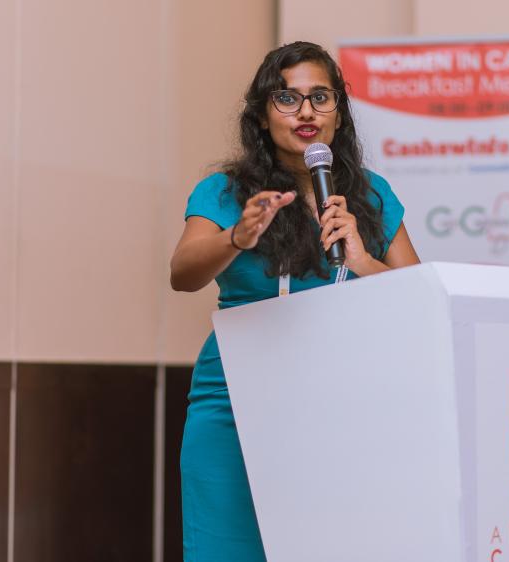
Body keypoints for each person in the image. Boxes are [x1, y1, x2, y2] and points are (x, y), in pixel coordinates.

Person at [170, 41, 420, 561]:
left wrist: (362, 260)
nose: (306, 111)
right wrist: (236, 237)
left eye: (320, 97)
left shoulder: (371, 196)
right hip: (235, 406)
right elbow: (182, 274)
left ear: (338, 114)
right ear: (262, 116)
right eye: (287, 98)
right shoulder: (225, 192)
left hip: (342, 408)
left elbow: (420, 302)